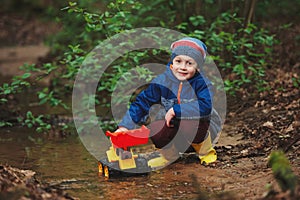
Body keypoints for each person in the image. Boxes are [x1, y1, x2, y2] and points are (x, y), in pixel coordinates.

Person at [116, 37, 220, 168]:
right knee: (155, 130)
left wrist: (176, 110)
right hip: (175, 134)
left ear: (198, 68)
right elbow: (142, 102)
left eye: (189, 63)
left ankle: (206, 153)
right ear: (172, 64)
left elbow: (205, 106)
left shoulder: (202, 83)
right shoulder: (162, 81)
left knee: (190, 122)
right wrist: (125, 126)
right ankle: (170, 157)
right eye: (178, 61)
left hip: (199, 131)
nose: (182, 67)